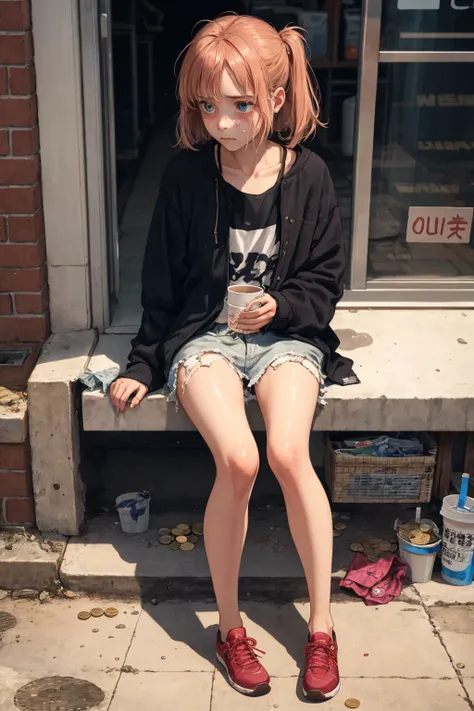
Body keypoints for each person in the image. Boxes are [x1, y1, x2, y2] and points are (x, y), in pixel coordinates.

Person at [110, 14, 357, 701]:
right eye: (208, 105)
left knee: (286, 451)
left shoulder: (307, 176)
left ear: (275, 101)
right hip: (206, 336)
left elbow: (325, 279)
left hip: (286, 337)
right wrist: (140, 363)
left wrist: (281, 308)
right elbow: (161, 283)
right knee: (240, 459)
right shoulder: (188, 178)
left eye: (240, 105)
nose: (222, 122)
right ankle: (229, 626)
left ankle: (323, 626)